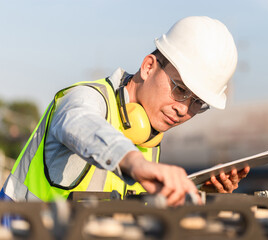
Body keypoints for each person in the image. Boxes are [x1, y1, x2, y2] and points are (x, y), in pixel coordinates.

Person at [0, 16, 249, 207]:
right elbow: (79, 123)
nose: (184, 109)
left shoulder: (149, 139)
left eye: (198, 103)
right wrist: (135, 163)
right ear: (149, 67)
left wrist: (196, 192)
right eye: (180, 88)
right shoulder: (87, 98)